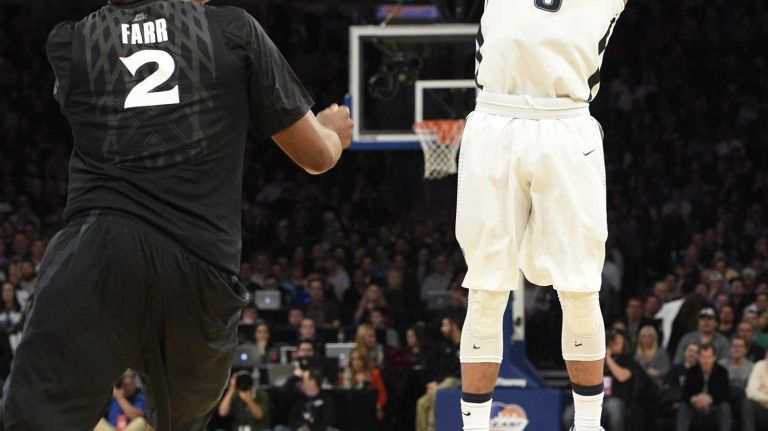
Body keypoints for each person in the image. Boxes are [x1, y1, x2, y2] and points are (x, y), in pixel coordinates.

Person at [0, 0, 353, 429]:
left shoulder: (71, 42)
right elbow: (315, 157)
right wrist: (333, 133)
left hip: (100, 252)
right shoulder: (233, 30)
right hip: (201, 269)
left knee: (33, 419)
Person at [455, 1, 629, 430]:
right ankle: (473, 426)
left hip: (566, 121)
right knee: (485, 288)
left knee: (581, 287)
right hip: (495, 115)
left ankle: (589, 425)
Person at [416, 315, 462, 431]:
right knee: (421, 403)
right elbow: (443, 370)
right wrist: (436, 382)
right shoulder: (447, 346)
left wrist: (437, 386)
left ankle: (432, 428)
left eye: (445, 325)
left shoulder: (466, 345)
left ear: (454, 326)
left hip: (458, 380)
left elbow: (459, 372)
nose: (442, 329)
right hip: (445, 380)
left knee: (436, 393)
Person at [676, 343, 731, 431]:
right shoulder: (692, 371)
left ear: (714, 357)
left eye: (708, 357)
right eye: (703, 357)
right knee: (683, 407)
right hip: (695, 406)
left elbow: (725, 394)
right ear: (698, 357)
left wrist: (710, 399)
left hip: (713, 407)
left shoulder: (722, 372)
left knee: (725, 407)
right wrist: (695, 399)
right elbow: (685, 394)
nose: (705, 360)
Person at [339, 348, 388, 420]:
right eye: (353, 359)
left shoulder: (374, 373)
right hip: (352, 410)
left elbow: (383, 395)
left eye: (359, 359)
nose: (356, 362)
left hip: (371, 408)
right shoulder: (347, 375)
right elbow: (343, 393)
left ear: (364, 360)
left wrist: (378, 407)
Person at [743, 352, 768, 431]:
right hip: (762, 410)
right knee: (748, 403)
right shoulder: (759, 365)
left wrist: (763, 389)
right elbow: (750, 392)